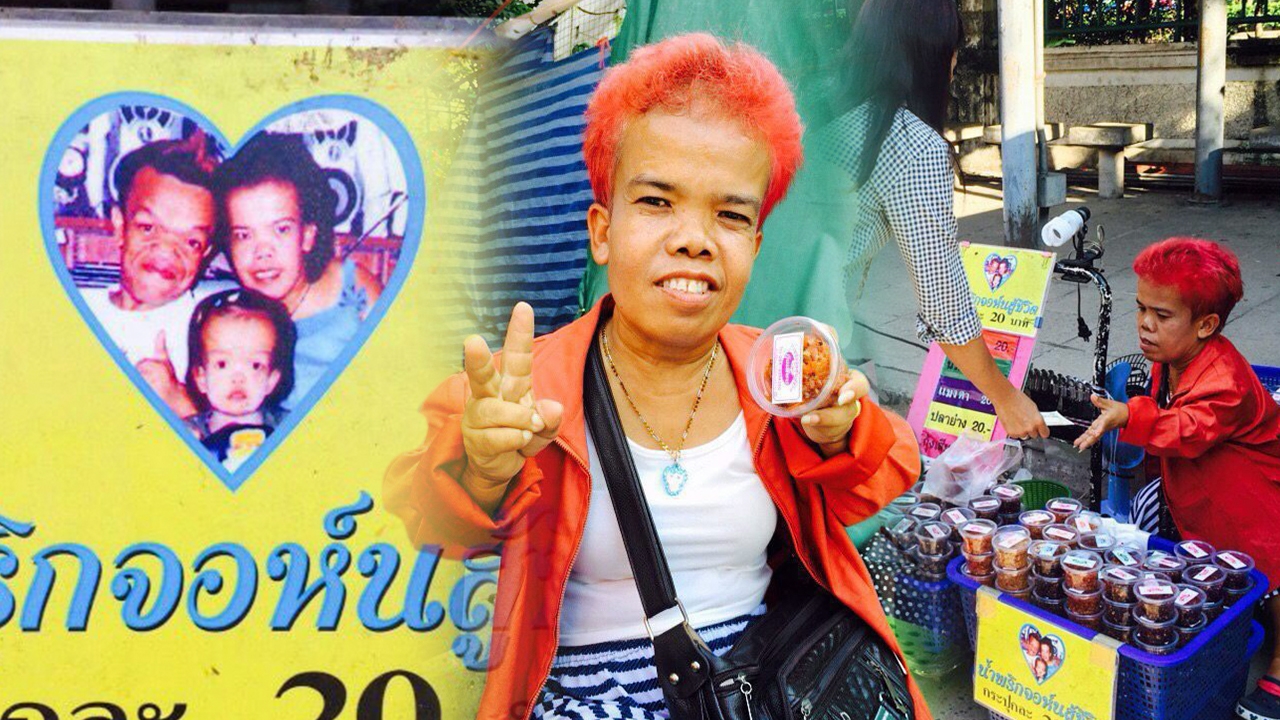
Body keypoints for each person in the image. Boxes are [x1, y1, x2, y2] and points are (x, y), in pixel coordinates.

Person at [384, 34, 930, 720]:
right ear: (601, 231)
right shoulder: (525, 391)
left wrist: (840, 433)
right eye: (656, 202)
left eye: (730, 215)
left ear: (755, 245)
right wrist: (482, 472)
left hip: (762, 691)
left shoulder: (778, 374)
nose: (694, 238)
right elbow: (432, 524)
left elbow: (881, 478)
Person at [813, 0, 1048, 440]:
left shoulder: (818, 107)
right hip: (808, 348)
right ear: (932, 53)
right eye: (952, 50)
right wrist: (1005, 397)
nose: (955, 65)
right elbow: (943, 301)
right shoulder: (909, 145)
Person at [1074, 238, 1280, 720]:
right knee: (1169, 539)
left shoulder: (1226, 380)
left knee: (1271, 565)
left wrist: (1130, 414)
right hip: (1195, 486)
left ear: (1206, 325)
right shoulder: (1169, 357)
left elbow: (1187, 428)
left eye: (1162, 315)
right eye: (1141, 308)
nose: (1145, 324)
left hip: (1253, 491)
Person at [214, 132, 382, 411]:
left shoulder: (354, 289)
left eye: (281, 229)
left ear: (307, 236)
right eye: (244, 235)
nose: (262, 252)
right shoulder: (228, 316)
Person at [80, 131, 230, 418]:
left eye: (191, 242)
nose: (166, 251)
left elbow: (245, 435)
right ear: (120, 226)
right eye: (148, 228)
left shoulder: (222, 320)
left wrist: (180, 402)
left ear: (206, 253)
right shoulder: (73, 306)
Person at [183, 289, 295, 470]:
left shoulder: (291, 428)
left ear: (271, 380)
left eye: (255, 365)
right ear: (201, 378)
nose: (238, 378)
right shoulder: (187, 433)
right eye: (222, 364)